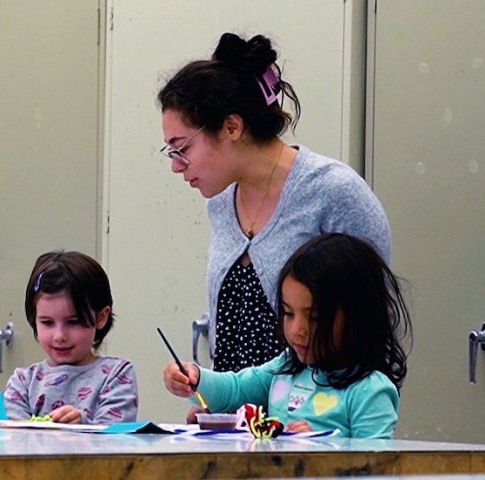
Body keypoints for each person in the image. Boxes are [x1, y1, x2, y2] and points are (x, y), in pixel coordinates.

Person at [157, 32, 391, 380]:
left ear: (232, 127)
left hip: (315, 423)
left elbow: (373, 332)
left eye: (182, 148)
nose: (176, 165)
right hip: (240, 424)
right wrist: (213, 397)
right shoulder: (221, 202)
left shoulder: (335, 192)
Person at [163, 233, 412, 439]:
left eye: (314, 317)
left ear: (359, 315)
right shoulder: (285, 369)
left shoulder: (370, 390)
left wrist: (323, 446)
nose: (296, 330)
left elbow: (378, 468)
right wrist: (194, 378)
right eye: (288, 313)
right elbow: (235, 389)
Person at [4, 251, 138, 424]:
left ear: (101, 317)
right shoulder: (22, 383)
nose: (59, 336)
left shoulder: (117, 374)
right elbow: (18, 443)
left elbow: (115, 439)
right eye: (47, 322)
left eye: (73, 322)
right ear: (33, 318)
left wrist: (82, 424)